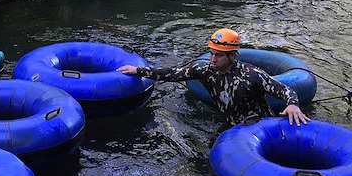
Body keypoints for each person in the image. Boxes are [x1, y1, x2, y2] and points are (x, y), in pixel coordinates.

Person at [116, 28, 310, 126]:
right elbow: (172, 73)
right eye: (211, 53)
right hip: (233, 126)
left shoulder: (252, 75)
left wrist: (292, 104)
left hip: (264, 126)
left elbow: (284, 90)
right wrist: (139, 71)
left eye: (219, 55)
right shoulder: (205, 71)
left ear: (232, 56)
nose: (213, 59)